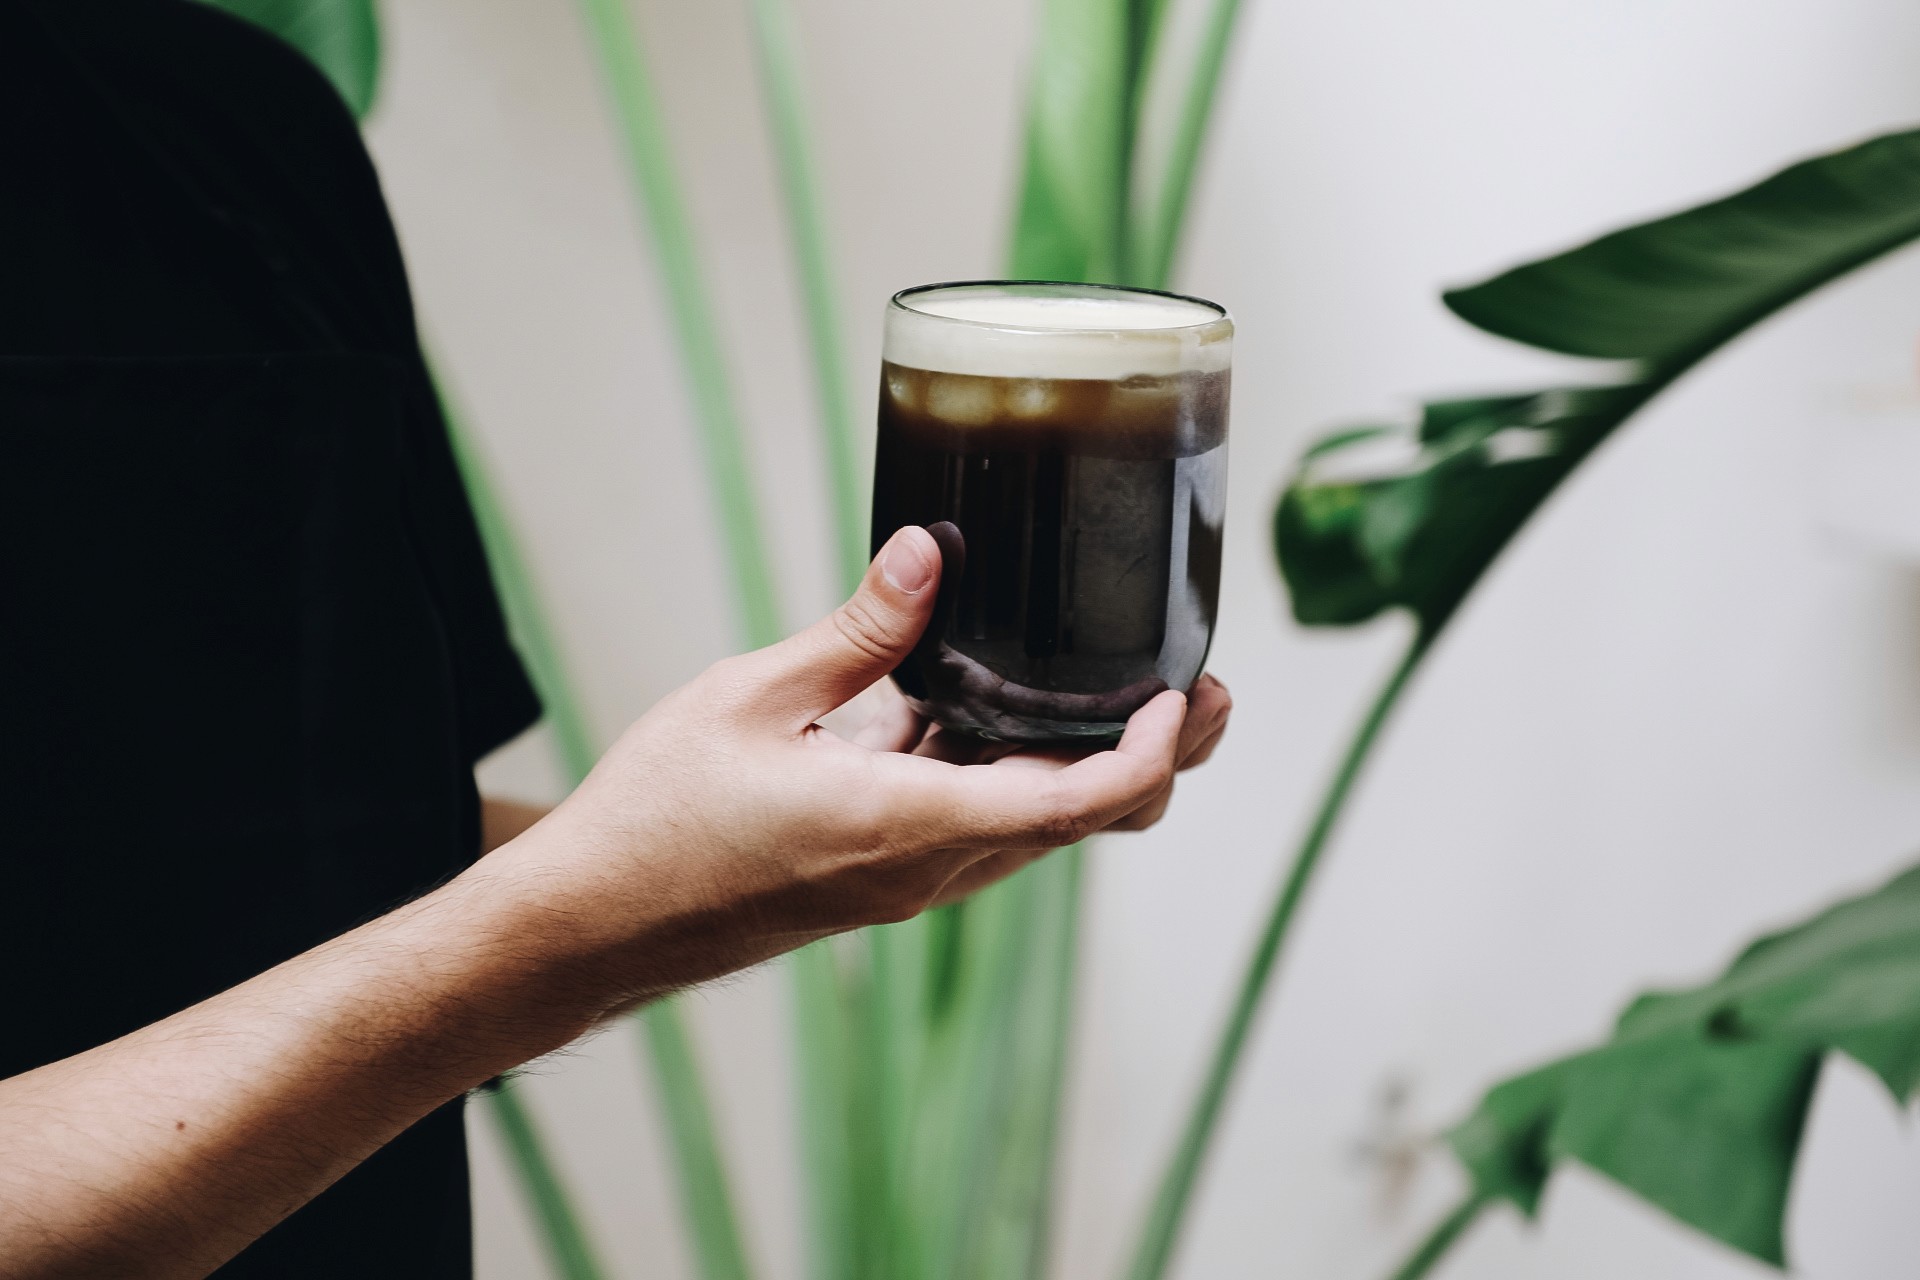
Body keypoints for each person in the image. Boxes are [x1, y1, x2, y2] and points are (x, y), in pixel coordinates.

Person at [0, 1, 1233, 1277]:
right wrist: (578, 927)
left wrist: (832, 838)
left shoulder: (242, 133)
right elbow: (504, 926)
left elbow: (367, 852)